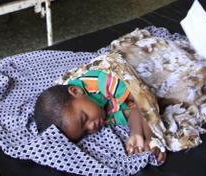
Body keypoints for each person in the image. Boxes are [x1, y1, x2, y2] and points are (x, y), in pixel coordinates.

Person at [34, 70, 166, 163]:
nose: (92, 127)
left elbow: (142, 98)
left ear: (76, 91)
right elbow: (134, 111)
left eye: (84, 118)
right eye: (85, 132)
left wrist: (153, 136)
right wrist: (138, 135)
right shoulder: (102, 116)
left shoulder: (97, 81)